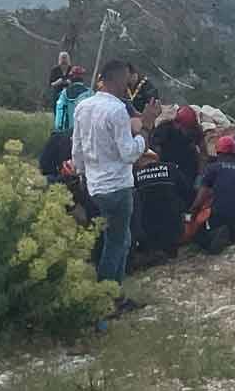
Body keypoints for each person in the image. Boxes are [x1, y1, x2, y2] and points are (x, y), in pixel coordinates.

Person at [72, 59, 160, 322]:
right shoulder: (117, 110)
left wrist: (82, 175)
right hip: (117, 186)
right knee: (115, 243)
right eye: (126, 81)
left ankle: (114, 295)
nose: (127, 86)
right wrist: (147, 125)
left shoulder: (83, 106)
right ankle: (106, 300)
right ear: (120, 80)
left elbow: (77, 149)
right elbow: (129, 153)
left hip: (93, 185)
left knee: (118, 239)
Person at [189, 136, 235, 255]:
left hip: (222, 215)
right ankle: (232, 236)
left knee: (198, 237)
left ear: (218, 152)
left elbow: (200, 198)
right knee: (234, 227)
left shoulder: (212, 168)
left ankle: (213, 237)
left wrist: (191, 215)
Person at [148, 105, 207, 208]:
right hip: (168, 167)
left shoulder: (195, 130)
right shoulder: (165, 129)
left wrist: (200, 175)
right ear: (177, 125)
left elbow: (203, 153)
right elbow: (153, 150)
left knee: (188, 194)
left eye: (189, 129)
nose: (188, 132)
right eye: (186, 129)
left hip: (188, 167)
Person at [54, 66, 91, 133]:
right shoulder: (90, 93)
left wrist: (58, 130)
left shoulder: (64, 93)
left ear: (71, 78)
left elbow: (60, 112)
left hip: (68, 132)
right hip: (86, 132)